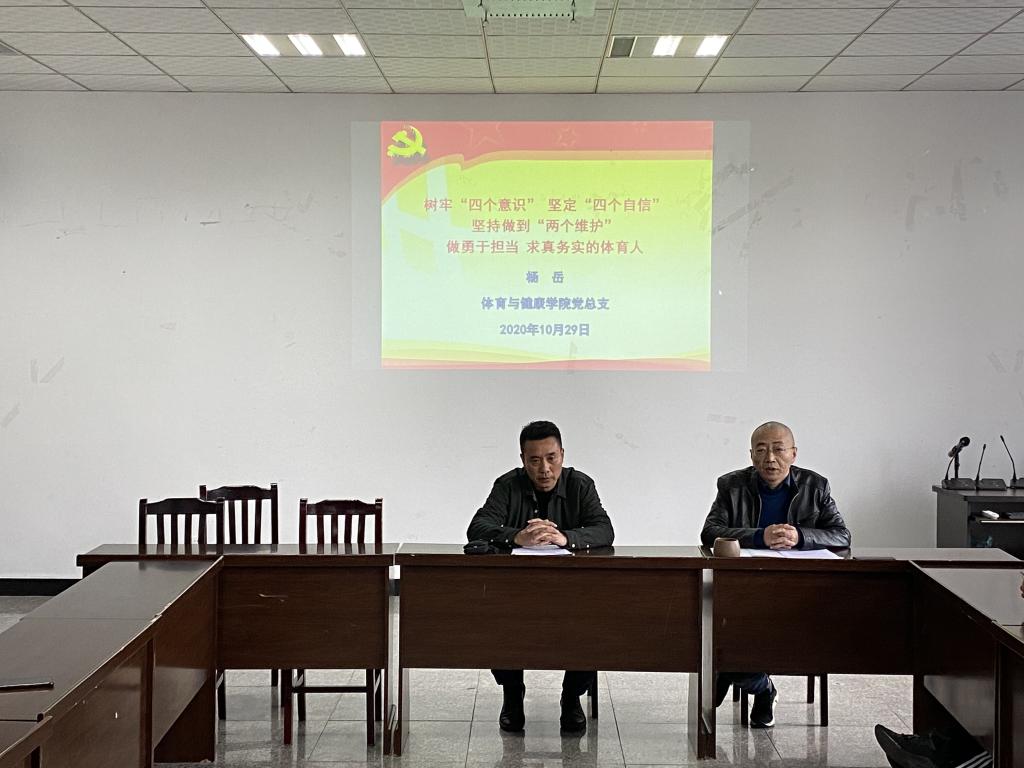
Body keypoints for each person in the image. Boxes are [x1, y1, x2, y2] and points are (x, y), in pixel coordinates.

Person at [467, 420, 614, 735]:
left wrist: (566, 538)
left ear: (562, 455)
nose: (544, 468)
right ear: (523, 459)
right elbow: (477, 528)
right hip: (517, 590)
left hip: (573, 591)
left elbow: (604, 530)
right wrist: (518, 536)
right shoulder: (507, 485)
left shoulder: (580, 485)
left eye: (551, 458)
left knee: (591, 621)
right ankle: (512, 694)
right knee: (497, 620)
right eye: (534, 460)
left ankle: (571, 697)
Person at [701, 421, 852, 728]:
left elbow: (841, 535)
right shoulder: (731, 485)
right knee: (721, 626)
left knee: (744, 640)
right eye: (761, 450)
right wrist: (760, 536)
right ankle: (762, 688)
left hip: (799, 591)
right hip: (744, 587)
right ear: (751, 456)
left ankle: (734, 676)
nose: (770, 458)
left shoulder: (815, 486)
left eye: (779, 450)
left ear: (793, 454)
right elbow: (710, 532)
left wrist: (801, 536)